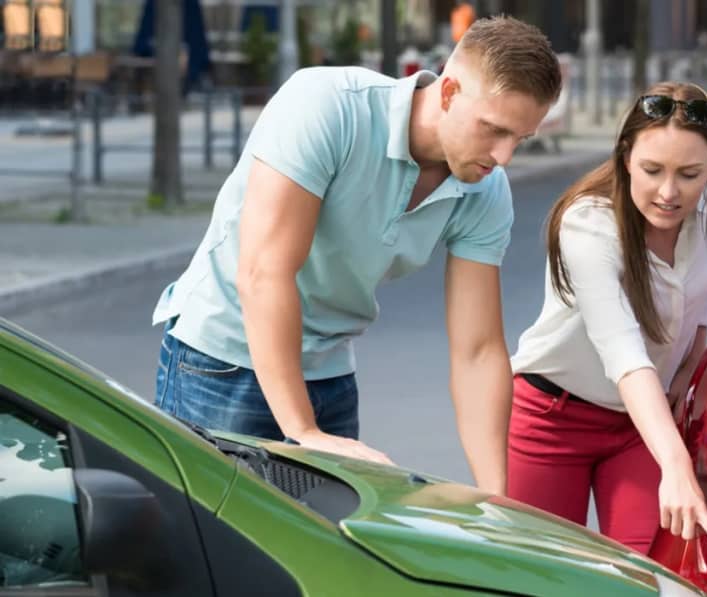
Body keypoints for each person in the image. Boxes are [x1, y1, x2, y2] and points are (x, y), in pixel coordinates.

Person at [152, 16, 562, 496]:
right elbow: (265, 274)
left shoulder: (484, 190)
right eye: (494, 130)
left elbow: (477, 351)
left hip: (329, 375)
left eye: (520, 138)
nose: (505, 156)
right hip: (221, 362)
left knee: (320, 565)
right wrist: (302, 433)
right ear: (448, 93)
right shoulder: (325, 107)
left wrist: (498, 498)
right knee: (208, 555)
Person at [507, 82, 707, 553]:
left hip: (641, 425)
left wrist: (689, 369)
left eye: (690, 174)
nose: (669, 192)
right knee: (547, 577)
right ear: (625, 157)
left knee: (642, 573)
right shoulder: (587, 225)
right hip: (553, 418)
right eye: (652, 170)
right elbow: (622, 351)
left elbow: (703, 284)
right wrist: (676, 464)